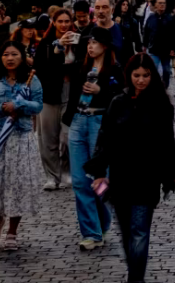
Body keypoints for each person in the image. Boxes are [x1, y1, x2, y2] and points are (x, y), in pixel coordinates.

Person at [86, 55, 175, 283]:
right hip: (121, 176)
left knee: (139, 231)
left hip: (147, 177)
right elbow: (105, 139)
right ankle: (135, 272)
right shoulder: (118, 102)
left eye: (146, 75)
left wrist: (170, 175)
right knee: (127, 232)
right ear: (129, 76)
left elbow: (167, 142)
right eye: (137, 75)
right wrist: (98, 172)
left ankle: (135, 279)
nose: (141, 80)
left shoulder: (161, 104)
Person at [0, 37, 44, 249]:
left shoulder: (32, 80)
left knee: (17, 184)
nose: (10, 58)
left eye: (14, 54)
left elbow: (38, 106)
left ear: (22, 57)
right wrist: (1, 108)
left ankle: (12, 231)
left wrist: (20, 104)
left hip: (21, 137)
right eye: (6, 54)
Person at [64, 27, 124, 251]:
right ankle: (91, 232)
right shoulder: (82, 65)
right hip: (78, 121)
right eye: (88, 42)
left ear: (105, 45)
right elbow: (63, 70)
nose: (90, 46)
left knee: (99, 180)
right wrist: (65, 47)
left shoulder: (115, 69)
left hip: (100, 123)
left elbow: (120, 97)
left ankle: (103, 222)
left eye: (95, 42)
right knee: (80, 180)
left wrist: (101, 90)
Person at [33, 8, 77, 189]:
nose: (64, 25)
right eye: (61, 21)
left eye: (67, 21)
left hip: (70, 92)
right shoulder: (46, 44)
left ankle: (67, 172)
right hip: (49, 94)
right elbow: (40, 68)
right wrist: (57, 47)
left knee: (67, 137)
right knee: (48, 137)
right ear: (54, 22)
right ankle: (52, 175)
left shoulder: (78, 41)